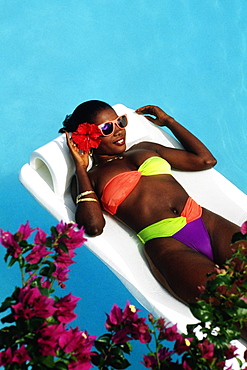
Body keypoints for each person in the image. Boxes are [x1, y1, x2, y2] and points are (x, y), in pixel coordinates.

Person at [59, 100, 240, 305]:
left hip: (207, 222)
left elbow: (205, 160)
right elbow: (93, 226)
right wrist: (80, 168)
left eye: (120, 122)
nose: (119, 131)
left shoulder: (145, 148)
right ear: (88, 138)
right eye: (108, 128)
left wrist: (168, 121)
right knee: (232, 306)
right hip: (168, 245)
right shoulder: (90, 178)